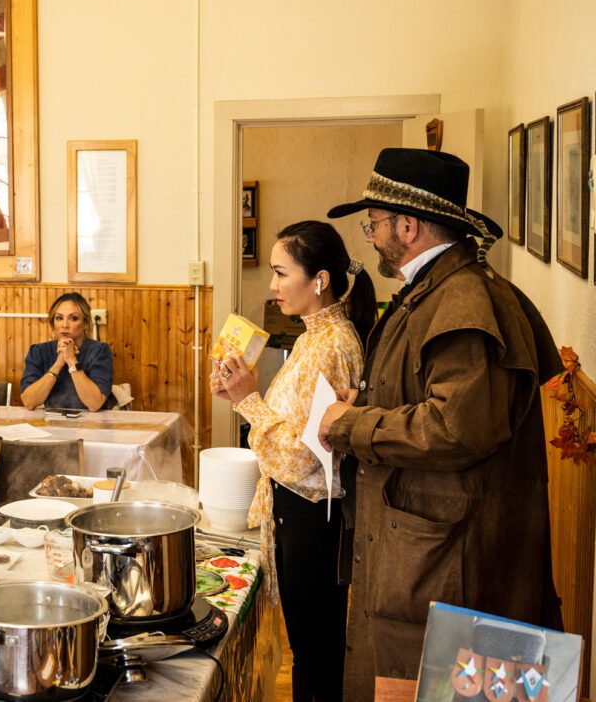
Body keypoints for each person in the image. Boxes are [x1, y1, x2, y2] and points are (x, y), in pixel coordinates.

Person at [317, 148, 563, 699]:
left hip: (446, 568)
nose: (370, 237)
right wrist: (368, 401)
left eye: (374, 224)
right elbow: (436, 394)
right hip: (433, 558)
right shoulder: (441, 289)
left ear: (408, 224)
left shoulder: (463, 298)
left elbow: (456, 427)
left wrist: (352, 424)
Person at [210, 221, 374, 702]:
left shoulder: (331, 344)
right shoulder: (311, 337)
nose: (272, 286)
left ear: (319, 279)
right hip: (299, 511)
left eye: (281, 274)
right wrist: (242, 396)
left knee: (316, 652)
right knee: (312, 648)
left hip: (311, 513)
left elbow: (303, 454)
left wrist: (248, 400)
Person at [19, 292, 114, 411]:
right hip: (52, 422)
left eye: (73, 318)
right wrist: (58, 364)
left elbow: (94, 404)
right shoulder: (38, 351)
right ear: (53, 323)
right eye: (59, 318)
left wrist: (71, 360)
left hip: (92, 424)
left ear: (85, 323)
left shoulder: (100, 351)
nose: (65, 325)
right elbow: (29, 402)